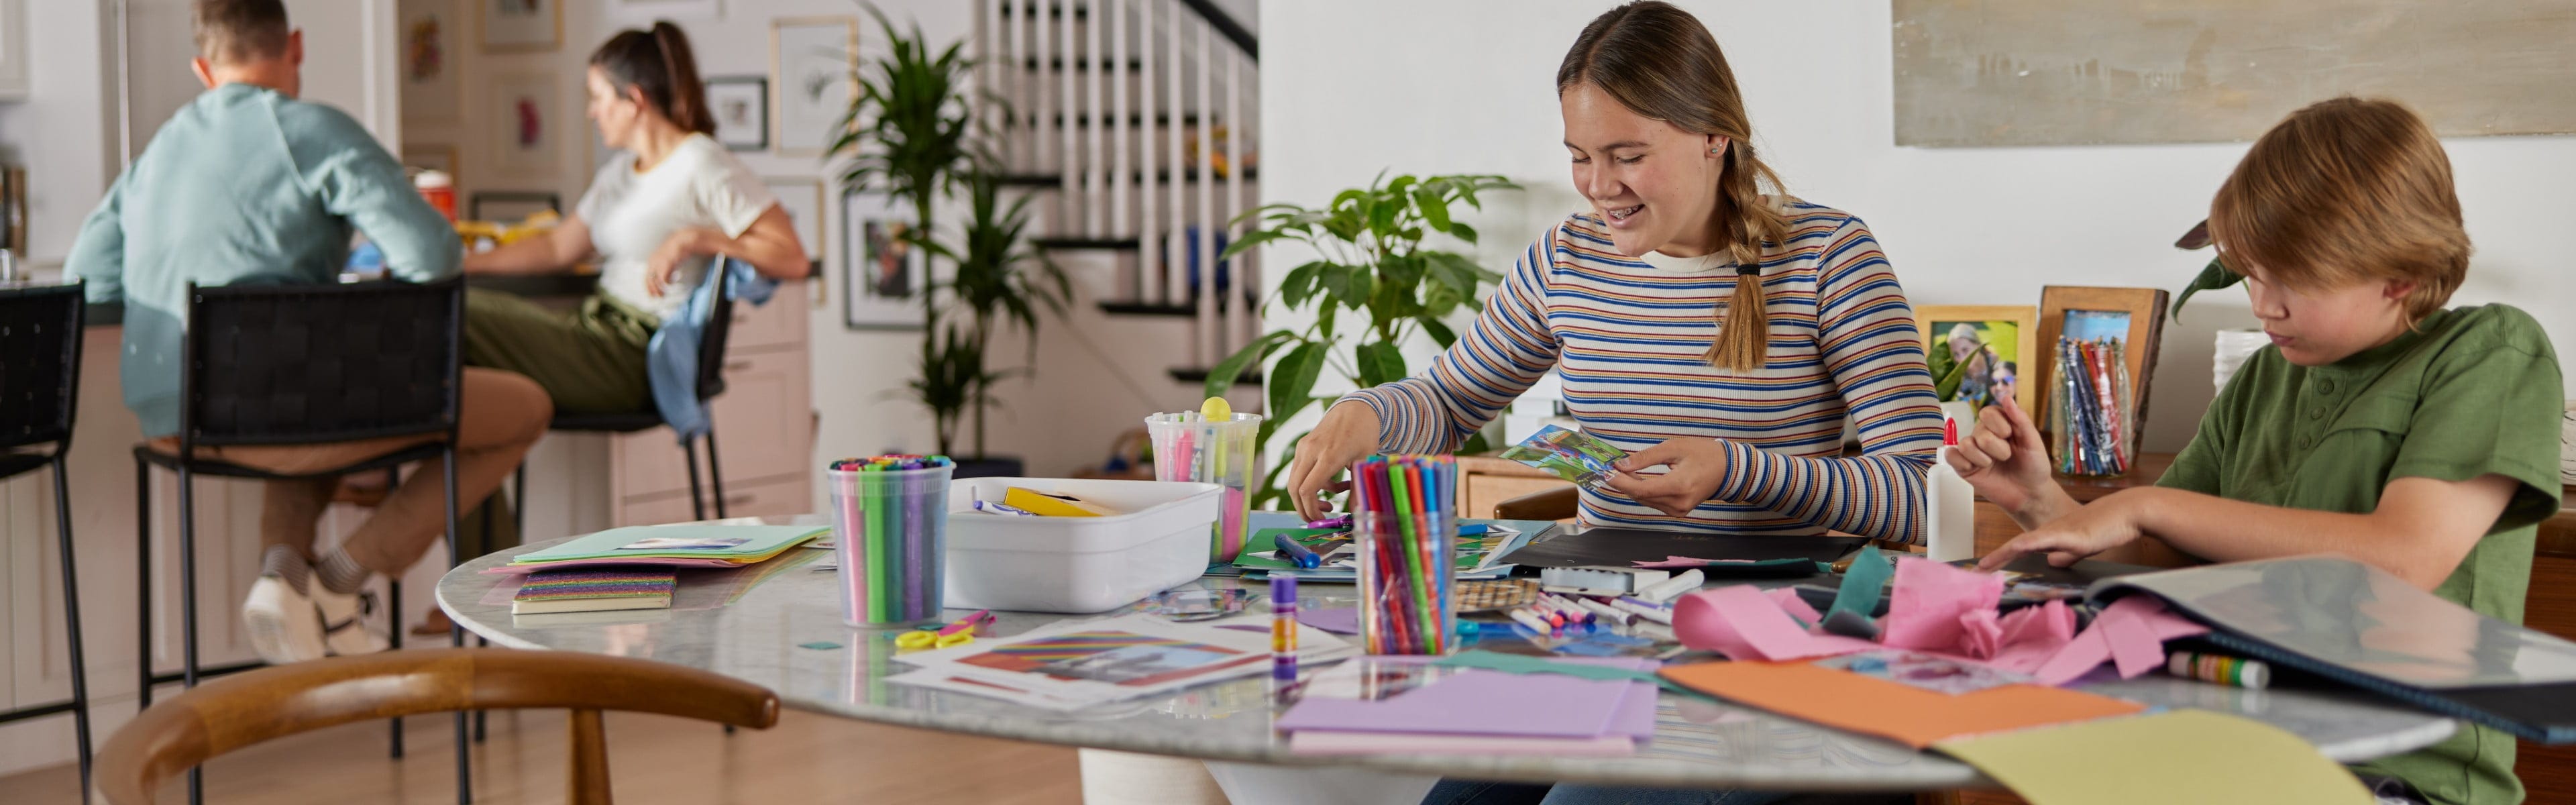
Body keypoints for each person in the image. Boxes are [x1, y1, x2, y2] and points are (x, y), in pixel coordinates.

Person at [1311, 4, 1937, 802]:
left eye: (1627, 155)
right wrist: (1371, 412)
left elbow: (1921, 493)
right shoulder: (1566, 260)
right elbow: (1449, 396)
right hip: (1598, 629)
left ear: (1714, 135)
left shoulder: (1829, 259)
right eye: (1580, 157)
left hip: (1761, 644)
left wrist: (1736, 471)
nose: (1600, 188)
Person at [1953, 97, 2563, 805]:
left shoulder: (2489, 352)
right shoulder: (2264, 378)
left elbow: (2405, 558)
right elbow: (2168, 556)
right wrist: (2042, 502)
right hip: (2236, 757)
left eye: (2292, 278)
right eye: (2251, 272)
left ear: (2397, 272)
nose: (2261, 304)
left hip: (2398, 777)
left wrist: (2147, 500)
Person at [66, 0, 552, 664]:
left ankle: (282, 579)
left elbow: (87, 279)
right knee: (526, 408)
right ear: (294, 46)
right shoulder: (312, 130)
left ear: (204, 68)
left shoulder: (160, 146)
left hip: (173, 420)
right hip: (286, 408)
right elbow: (432, 256)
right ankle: (339, 579)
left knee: (308, 389)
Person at [460, 22, 808, 419]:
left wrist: (695, 238)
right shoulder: (621, 172)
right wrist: (462, 264)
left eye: (597, 97)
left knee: (461, 315)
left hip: (633, 352)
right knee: (466, 341)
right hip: (595, 327)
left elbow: (792, 258)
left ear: (634, 100)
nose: (592, 112)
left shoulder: (701, 163)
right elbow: (556, 247)